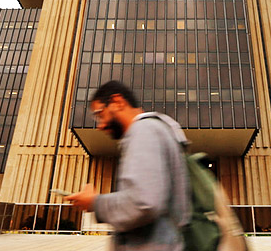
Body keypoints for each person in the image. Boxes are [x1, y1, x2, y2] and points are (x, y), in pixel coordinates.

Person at [66, 80, 190, 250]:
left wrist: (95, 202)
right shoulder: (157, 129)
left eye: (100, 114)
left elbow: (144, 203)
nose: (100, 126)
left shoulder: (143, 131)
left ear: (117, 102)